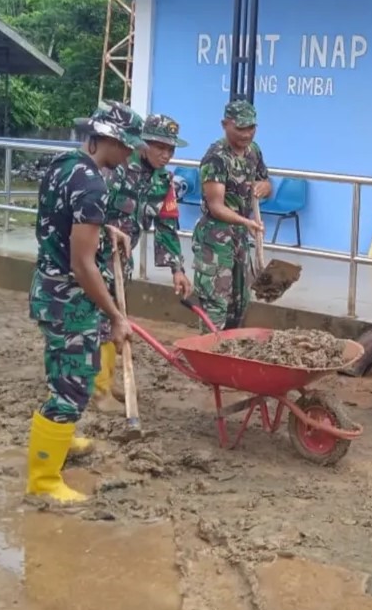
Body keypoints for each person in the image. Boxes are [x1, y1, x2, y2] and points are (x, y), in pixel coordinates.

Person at [26, 100, 145, 504]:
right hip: (71, 298)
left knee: (65, 373)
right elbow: (82, 263)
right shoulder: (92, 183)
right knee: (71, 387)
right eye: (126, 145)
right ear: (106, 138)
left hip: (49, 287)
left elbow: (60, 218)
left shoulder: (64, 164)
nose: (130, 153)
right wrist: (115, 315)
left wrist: (105, 226)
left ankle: (64, 437)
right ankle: (43, 481)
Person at [92, 114, 194, 406]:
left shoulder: (164, 181)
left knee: (114, 320)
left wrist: (177, 269)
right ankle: (97, 390)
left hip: (120, 261)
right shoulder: (118, 168)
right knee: (97, 320)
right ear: (143, 142)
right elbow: (89, 210)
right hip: (92, 257)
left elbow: (166, 225)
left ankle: (105, 383)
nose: (166, 154)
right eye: (160, 146)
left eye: (171, 149)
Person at [191, 100, 270, 331]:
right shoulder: (215, 158)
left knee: (239, 304)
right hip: (214, 239)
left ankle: (229, 360)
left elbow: (265, 180)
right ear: (225, 124)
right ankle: (209, 358)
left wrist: (264, 187)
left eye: (251, 128)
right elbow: (216, 206)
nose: (247, 134)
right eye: (240, 128)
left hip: (240, 238)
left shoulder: (253, 151)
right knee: (216, 305)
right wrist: (248, 222)